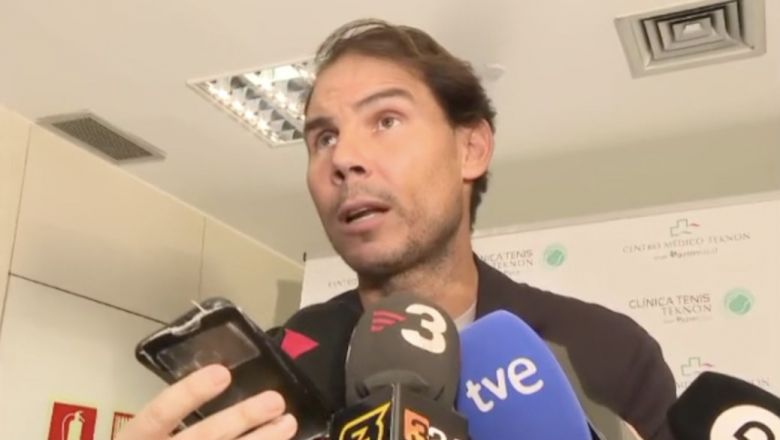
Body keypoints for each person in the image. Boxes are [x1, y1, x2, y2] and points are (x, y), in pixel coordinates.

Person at [118, 18, 676, 440]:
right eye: (324, 138)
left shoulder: (608, 352)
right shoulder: (280, 374)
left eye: (385, 121)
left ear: (471, 148)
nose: (344, 159)